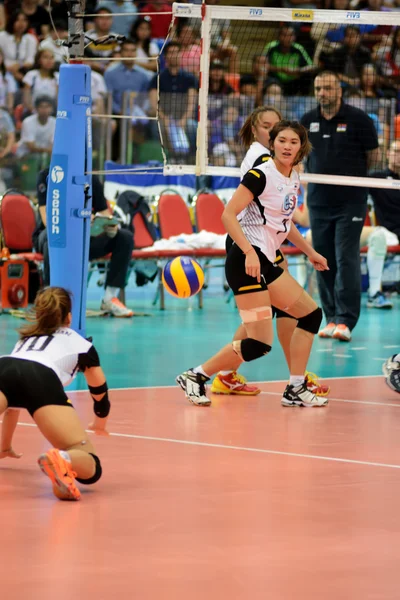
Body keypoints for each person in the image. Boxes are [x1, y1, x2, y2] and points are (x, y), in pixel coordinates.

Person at [176, 120, 329, 408]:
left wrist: (310, 251)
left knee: (310, 315)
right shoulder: (260, 174)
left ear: (301, 147)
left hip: (265, 260)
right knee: (259, 343)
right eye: (282, 140)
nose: (287, 146)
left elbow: (285, 223)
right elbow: (228, 215)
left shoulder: (293, 177)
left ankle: (295, 387)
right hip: (246, 259)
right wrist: (247, 251)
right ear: (272, 144)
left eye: (293, 142)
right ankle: (195, 376)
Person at [0, 287, 109, 501]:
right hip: (39, 376)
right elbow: (100, 392)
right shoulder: (82, 345)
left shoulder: (25, 341)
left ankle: (61, 470)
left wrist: (4, 446)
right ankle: (63, 459)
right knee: (91, 464)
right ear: (68, 317)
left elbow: (13, 405)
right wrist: (100, 422)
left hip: (3, 364)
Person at [301, 71, 380, 342]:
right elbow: (301, 158)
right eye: (318, 88)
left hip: (351, 202)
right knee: (322, 260)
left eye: (328, 88)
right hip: (318, 203)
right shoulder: (307, 120)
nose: (322, 93)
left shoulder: (359, 120)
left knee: (346, 258)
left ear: (339, 90)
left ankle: (346, 320)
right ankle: (331, 317)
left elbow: (373, 156)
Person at [34, 169, 134, 317]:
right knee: (52, 240)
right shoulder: (47, 176)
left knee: (124, 237)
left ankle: (110, 297)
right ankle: (52, 301)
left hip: (85, 237)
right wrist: (80, 218)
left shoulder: (90, 179)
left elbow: (105, 213)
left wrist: (110, 225)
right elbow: (47, 219)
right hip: (52, 233)